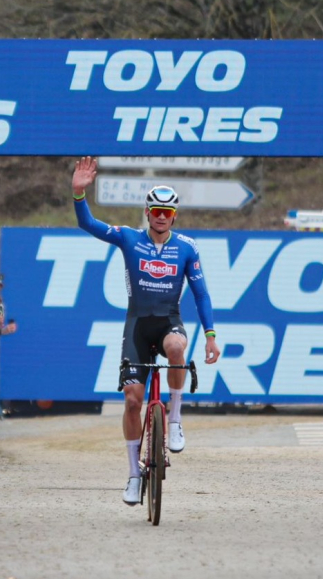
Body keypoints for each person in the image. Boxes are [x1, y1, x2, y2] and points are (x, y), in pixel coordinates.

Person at [70, 156, 221, 506]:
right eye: (156, 210)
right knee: (132, 400)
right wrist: (79, 194)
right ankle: (134, 476)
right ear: (148, 211)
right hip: (137, 324)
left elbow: (200, 293)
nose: (161, 216)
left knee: (177, 349)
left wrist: (211, 335)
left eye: (168, 213)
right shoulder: (129, 238)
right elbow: (88, 224)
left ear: (174, 216)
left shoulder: (186, 247)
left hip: (169, 319)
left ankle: (176, 417)